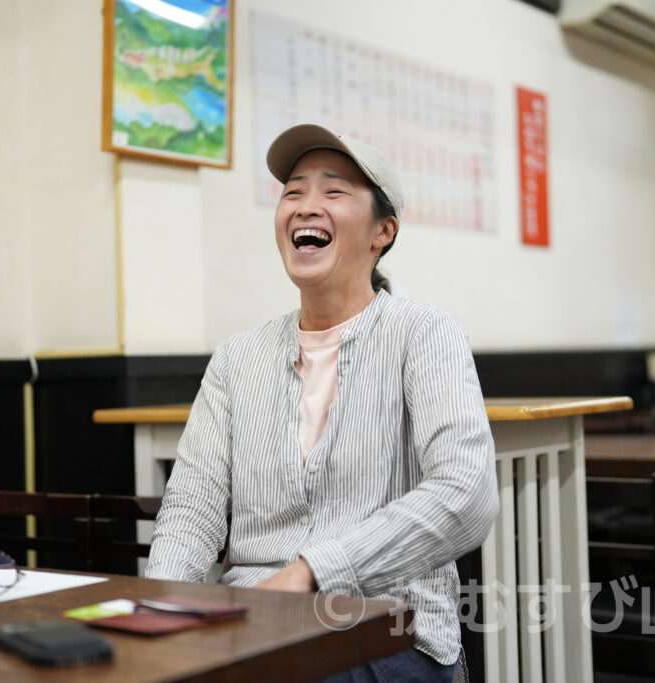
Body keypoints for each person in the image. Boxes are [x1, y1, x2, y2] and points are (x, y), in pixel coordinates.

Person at [145, 123, 498, 681]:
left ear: (384, 230)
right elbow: (192, 509)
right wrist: (162, 614)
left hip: (385, 626)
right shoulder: (239, 357)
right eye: (293, 192)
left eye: (333, 192)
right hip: (250, 625)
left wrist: (311, 573)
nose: (306, 206)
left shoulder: (425, 333)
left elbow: (467, 494)